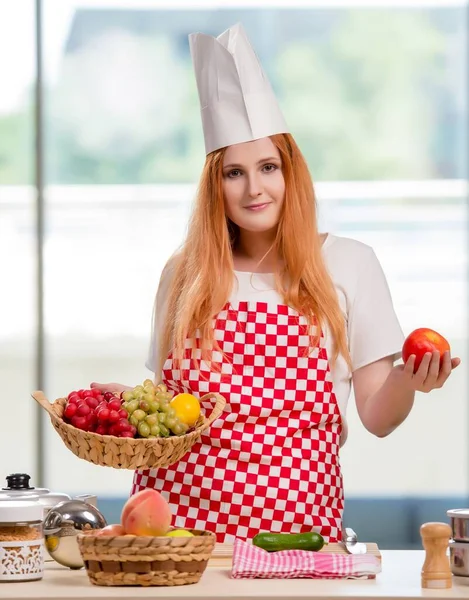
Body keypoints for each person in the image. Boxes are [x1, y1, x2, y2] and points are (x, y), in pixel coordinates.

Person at [92, 23, 460, 544]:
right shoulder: (183, 275)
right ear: (213, 185)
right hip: (176, 536)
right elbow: (174, 413)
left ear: (291, 173)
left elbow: (378, 417)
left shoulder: (350, 263)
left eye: (267, 167)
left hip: (296, 533)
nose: (254, 189)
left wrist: (407, 379)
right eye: (233, 173)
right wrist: (130, 404)